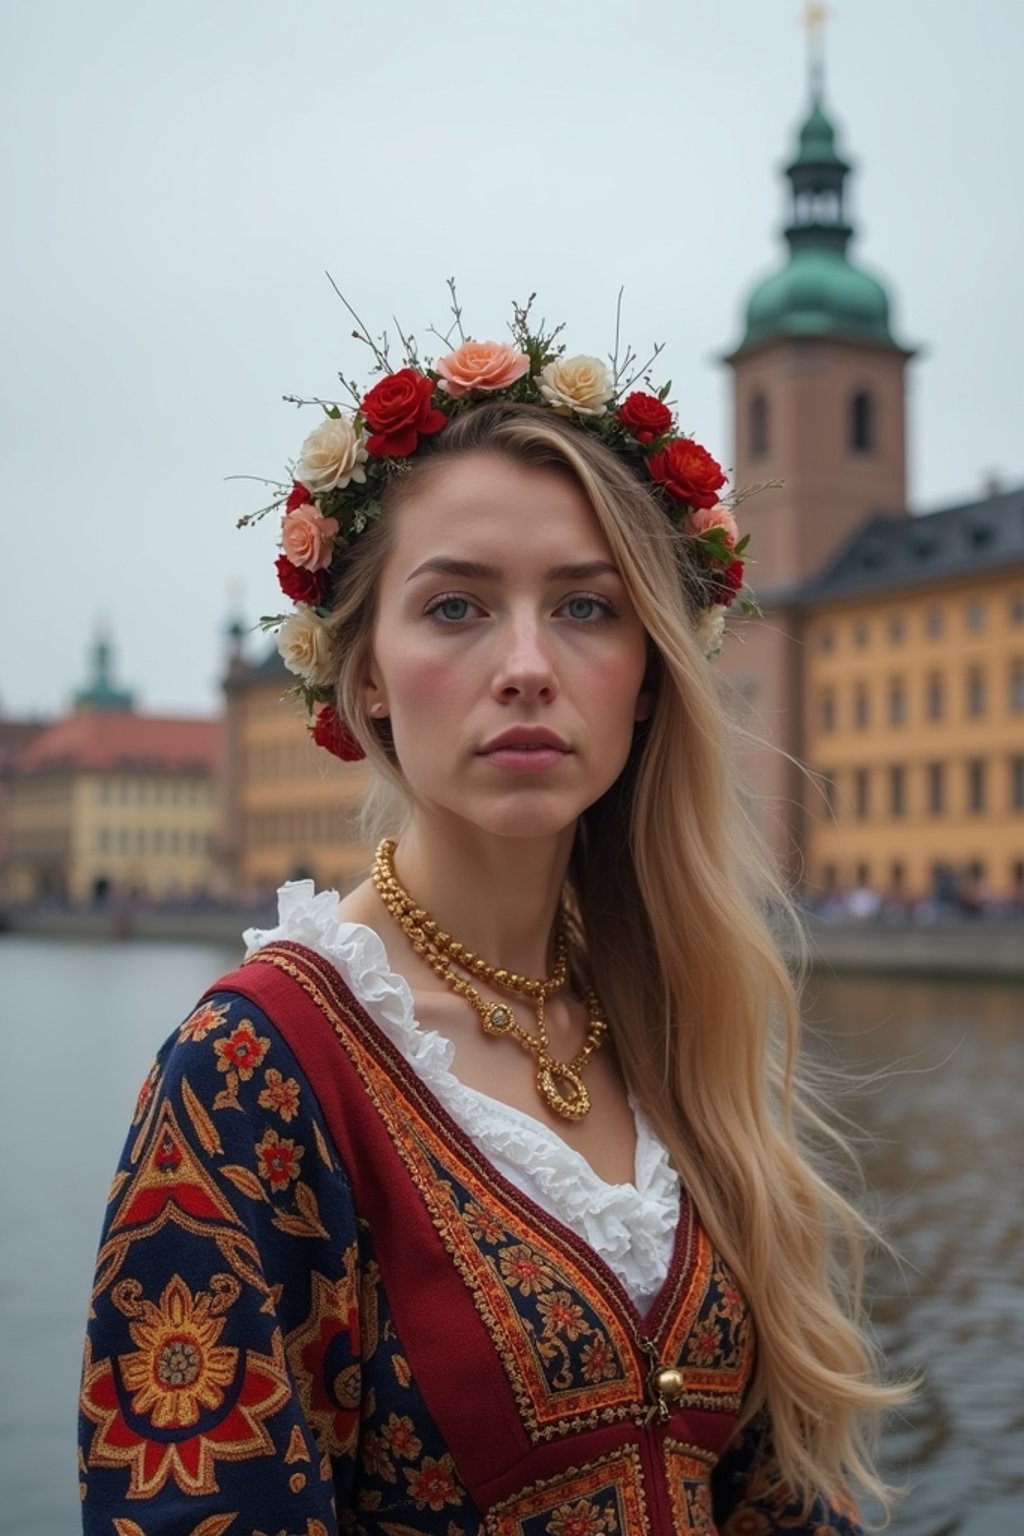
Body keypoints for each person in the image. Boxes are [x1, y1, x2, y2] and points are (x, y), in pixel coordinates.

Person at [79, 301, 904, 1534]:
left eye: (586, 607)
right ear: (362, 674)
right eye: (456, 607)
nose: (527, 663)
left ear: (648, 675)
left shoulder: (674, 1013)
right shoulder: (253, 1068)